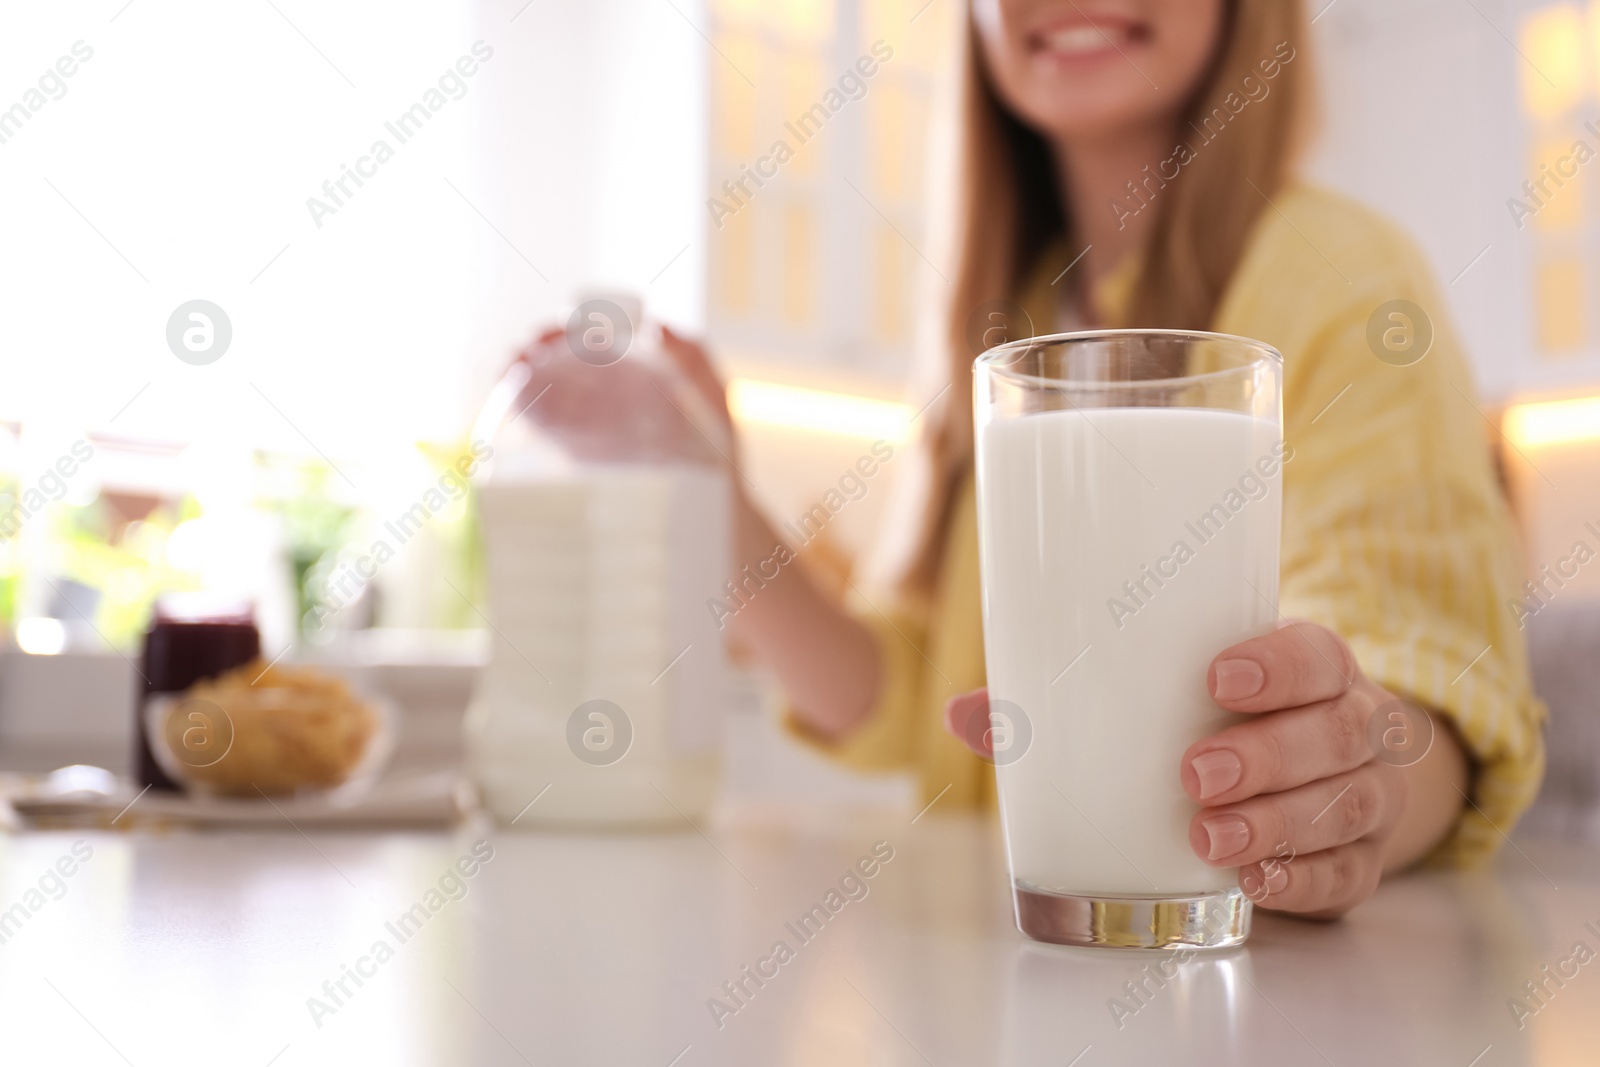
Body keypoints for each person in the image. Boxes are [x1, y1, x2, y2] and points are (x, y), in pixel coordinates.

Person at [519, 0, 1544, 919]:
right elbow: (904, 697)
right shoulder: (1009, 321)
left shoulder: (1340, 279)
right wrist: (707, 490)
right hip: (1003, 971)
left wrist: (1353, 793)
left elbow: (1419, 683)